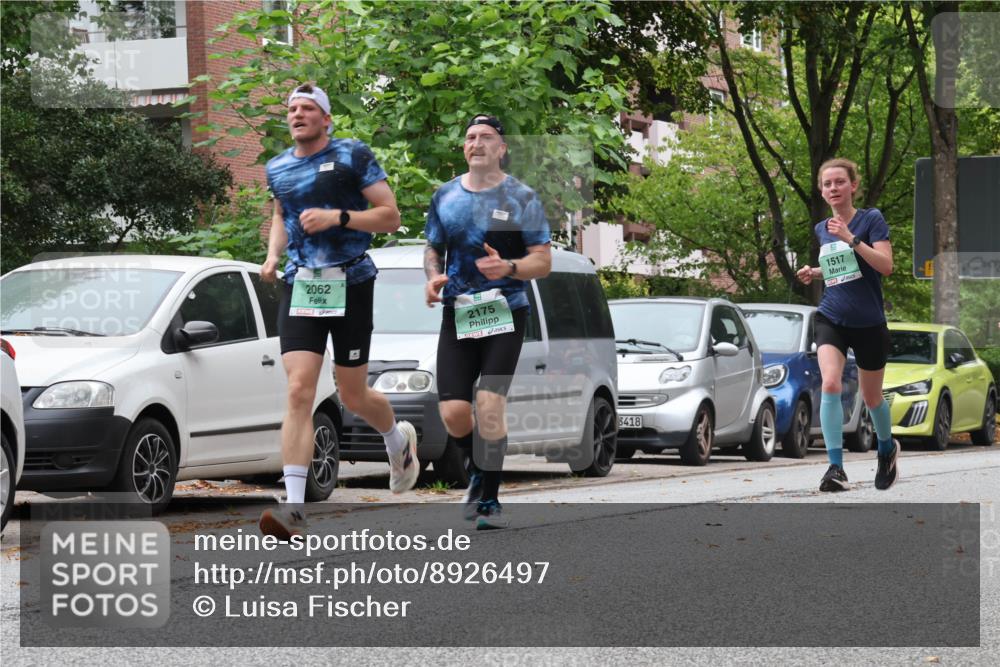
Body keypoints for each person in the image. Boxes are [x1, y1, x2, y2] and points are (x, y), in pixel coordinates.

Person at [258, 83, 418, 538]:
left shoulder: (352, 155)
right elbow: (280, 217)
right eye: (292, 108)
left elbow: (390, 215)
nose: (298, 114)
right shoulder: (278, 167)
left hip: (351, 281)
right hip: (303, 285)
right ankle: (293, 508)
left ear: (326, 119)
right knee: (298, 391)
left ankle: (397, 441)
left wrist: (338, 218)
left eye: (308, 108)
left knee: (352, 394)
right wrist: (273, 255)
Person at [423, 115, 552, 529]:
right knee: (455, 412)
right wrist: (432, 278)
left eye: (486, 138)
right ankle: (479, 469)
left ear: (502, 148)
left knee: (490, 404)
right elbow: (433, 248)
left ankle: (489, 501)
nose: (476, 143)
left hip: (506, 309)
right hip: (459, 311)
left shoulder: (521, 196)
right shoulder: (445, 195)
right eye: (470, 137)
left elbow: (543, 262)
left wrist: (509, 266)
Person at [796, 158, 899, 492]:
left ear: (853, 186)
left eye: (839, 182)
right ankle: (835, 467)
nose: (833, 189)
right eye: (827, 184)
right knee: (829, 384)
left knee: (871, 398)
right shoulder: (822, 228)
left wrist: (852, 237)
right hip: (832, 316)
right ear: (822, 191)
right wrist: (816, 272)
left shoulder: (871, 220)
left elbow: (884, 266)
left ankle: (886, 448)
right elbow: (842, 270)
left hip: (869, 322)